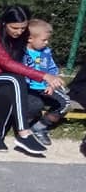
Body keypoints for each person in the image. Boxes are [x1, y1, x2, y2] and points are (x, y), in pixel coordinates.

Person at [0, 5, 64, 155]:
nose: (19, 32)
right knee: (15, 79)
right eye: (15, 28)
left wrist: (47, 77)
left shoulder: (21, 34)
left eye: (23, 28)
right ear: (4, 23)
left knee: (8, 90)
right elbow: (6, 63)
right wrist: (43, 76)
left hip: (6, 80)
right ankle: (24, 133)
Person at [24, 19, 72, 147]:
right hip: (28, 88)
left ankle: (40, 127)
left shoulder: (46, 52)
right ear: (30, 38)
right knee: (35, 105)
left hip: (45, 87)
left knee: (65, 103)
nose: (47, 43)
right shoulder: (22, 53)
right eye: (44, 40)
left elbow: (52, 69)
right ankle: (23, 125)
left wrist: (51, 84)